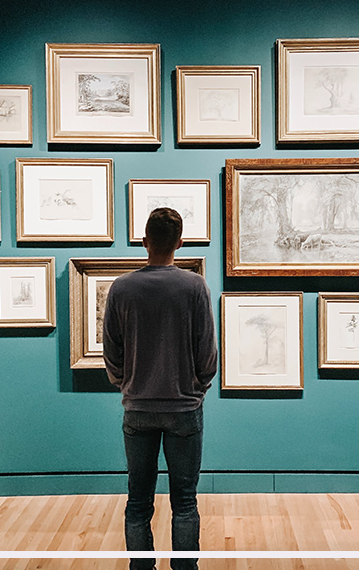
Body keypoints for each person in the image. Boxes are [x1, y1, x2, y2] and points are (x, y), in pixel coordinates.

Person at [103, 207, 218, 570]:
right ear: (180, 244)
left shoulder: (122, 288)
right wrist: (198, 386)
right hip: (184, 408)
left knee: (138, 500)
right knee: (185, 500)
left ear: (144, 241)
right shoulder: (194, 286)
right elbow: (207, 351)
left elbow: (111, 350)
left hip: (137, 408)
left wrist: (128, 384)